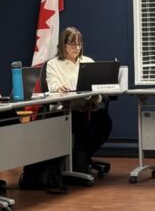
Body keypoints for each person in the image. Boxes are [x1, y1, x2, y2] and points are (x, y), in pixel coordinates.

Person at [44, 26, 112, 174]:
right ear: (63, 44)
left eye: (79, 44)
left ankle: (82, 157)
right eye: (72, 44)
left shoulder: (88, 61)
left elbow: (98, 86)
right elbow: (53, 85)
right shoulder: (53, 64)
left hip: (89, 106)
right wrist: (58, 88)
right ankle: (79, 160)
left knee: (105, 124)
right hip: (67, 109)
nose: (77, 47)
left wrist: (95, 98)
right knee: (81, 125)